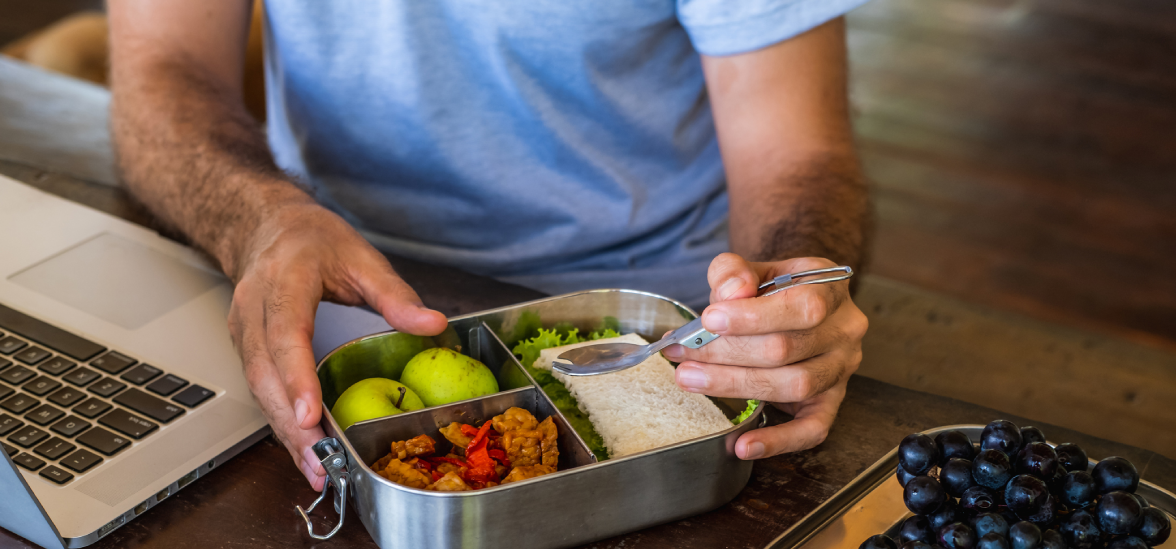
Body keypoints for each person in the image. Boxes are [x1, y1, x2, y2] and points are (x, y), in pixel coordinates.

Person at [107, 0, 871, 491]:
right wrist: (262, 221)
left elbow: (799, 154)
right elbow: (158, 79)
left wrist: (791, 289)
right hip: (323, 278)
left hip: (663, 316)